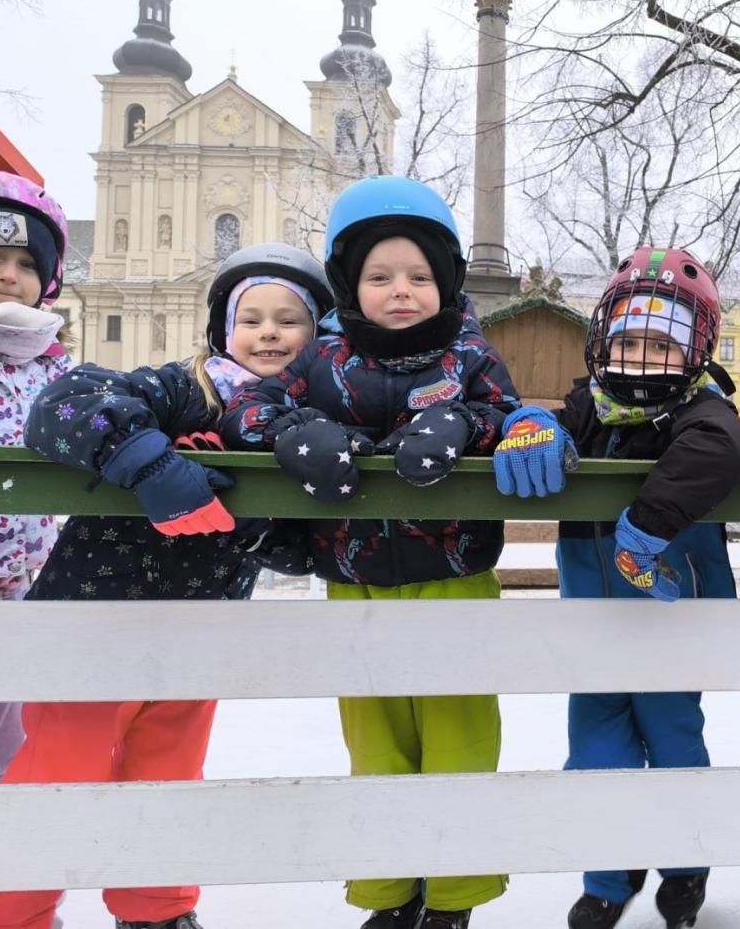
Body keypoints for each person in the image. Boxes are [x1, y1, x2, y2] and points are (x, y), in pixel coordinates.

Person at [0, 242, 330, 929]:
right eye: (251, 317)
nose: (268, 332)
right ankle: (11, 910)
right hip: (94, 623)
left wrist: (262, 525)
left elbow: (306, 546)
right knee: (61, 774)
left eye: (289, 320)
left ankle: (156, 910)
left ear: (321, 338)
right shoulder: (185, 389)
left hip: (196, 638)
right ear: (223, 331)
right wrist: (145, 461)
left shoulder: (309, 427)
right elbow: (63, 403)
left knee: (167, 776)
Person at [220, 177, 519, 929]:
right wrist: (293, 433)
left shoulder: (470, 356)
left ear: (445, 281)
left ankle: (452, 896)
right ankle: (388, 892)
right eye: (380, 276)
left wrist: (464, 424)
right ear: (349, 283)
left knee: (459, 737)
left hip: (455, 577)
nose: (401, 291)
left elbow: (513, 418)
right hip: (354, 580)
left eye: (419, 276)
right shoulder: (320, 358)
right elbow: (246, 405)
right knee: (376, 741)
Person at [493, 246, 740, 929]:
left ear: (695, 349)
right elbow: (552, 423)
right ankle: (609, 873)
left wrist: (645, 524)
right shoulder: (593, 405)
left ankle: (685, 864)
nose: (641, 357)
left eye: (661, 344)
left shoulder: (702, 410)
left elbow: (723, 448)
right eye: (630, 339)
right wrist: (534, 423)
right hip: (594, 622)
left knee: (672, 739)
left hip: (672, 622)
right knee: (594, 747)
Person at [0, 172, 74, 787]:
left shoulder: (53, 368)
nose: (6, 275)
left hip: (24, 577)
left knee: (12, 738)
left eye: (23, 262)